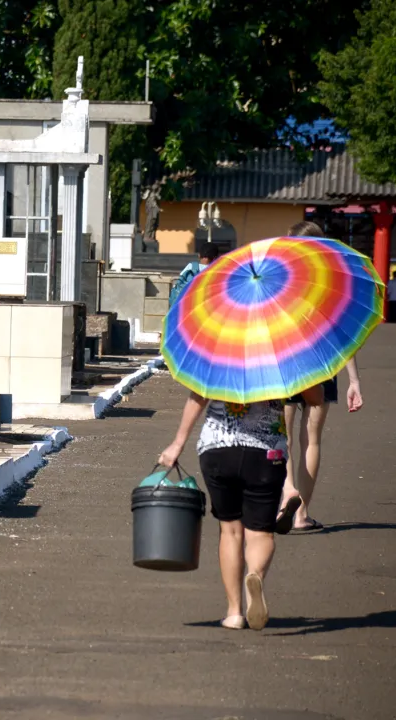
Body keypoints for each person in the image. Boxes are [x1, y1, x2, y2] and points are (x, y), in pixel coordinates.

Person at [158, 385, 324, 630]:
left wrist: (177, 444)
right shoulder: (280, 353)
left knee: (230, 530)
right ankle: (254, 574)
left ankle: (234, 612)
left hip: (218, 449)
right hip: (267, 454)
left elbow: (198, 397)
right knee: (260, 532)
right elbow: (315, 398)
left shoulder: (219, 349)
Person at [276, 221, 364, 534]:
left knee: (281, 438)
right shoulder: (331, 283)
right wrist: (354, 381)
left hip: (286, 364)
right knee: (311, 439)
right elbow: (344, 336)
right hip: (322, 366)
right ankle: (302, 517)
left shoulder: (279, 281)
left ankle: (288, 492)